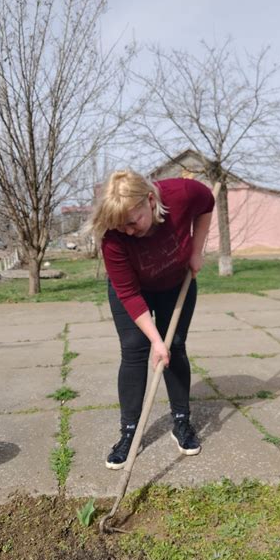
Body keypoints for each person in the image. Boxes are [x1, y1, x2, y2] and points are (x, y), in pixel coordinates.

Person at [88, 170, 214, 469]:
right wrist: (156, 341)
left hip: (175, 282)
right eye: (122, 227)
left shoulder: (182, 194)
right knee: (135, 350)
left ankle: (182, 422)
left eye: (134, 222)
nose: (129, 231)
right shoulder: (112, 239)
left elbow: (207, 201)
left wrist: (196, 251)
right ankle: (129, 432)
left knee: (177, 346)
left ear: (150, 200)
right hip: (133, 291)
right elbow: (129, 295)